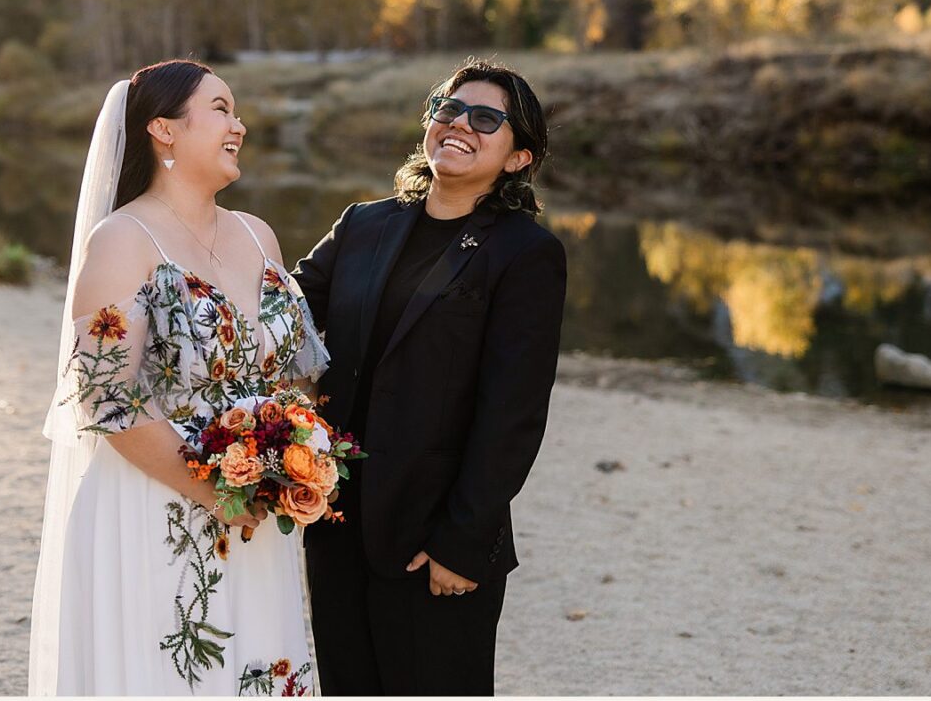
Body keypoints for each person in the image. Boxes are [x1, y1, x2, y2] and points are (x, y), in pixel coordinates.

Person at [28, 60, 328, 696]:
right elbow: (106, 397)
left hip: (254, 510)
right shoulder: (121, 241)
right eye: (221, 109)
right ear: (163, 129)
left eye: (236, 111)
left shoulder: (259, 234)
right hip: (154, 504)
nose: (238, 125)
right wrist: (215, 491)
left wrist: (297, 458)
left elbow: (295, 376)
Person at [293, 59, 569, 696]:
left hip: (436, 535)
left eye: (486, 119)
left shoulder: (526, 255)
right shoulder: (363, 224)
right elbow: (282, 313)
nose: (459, 124)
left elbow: (514, 413)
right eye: (448, 108)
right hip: (335, 518)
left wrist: (461, 542)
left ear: (519, 157)